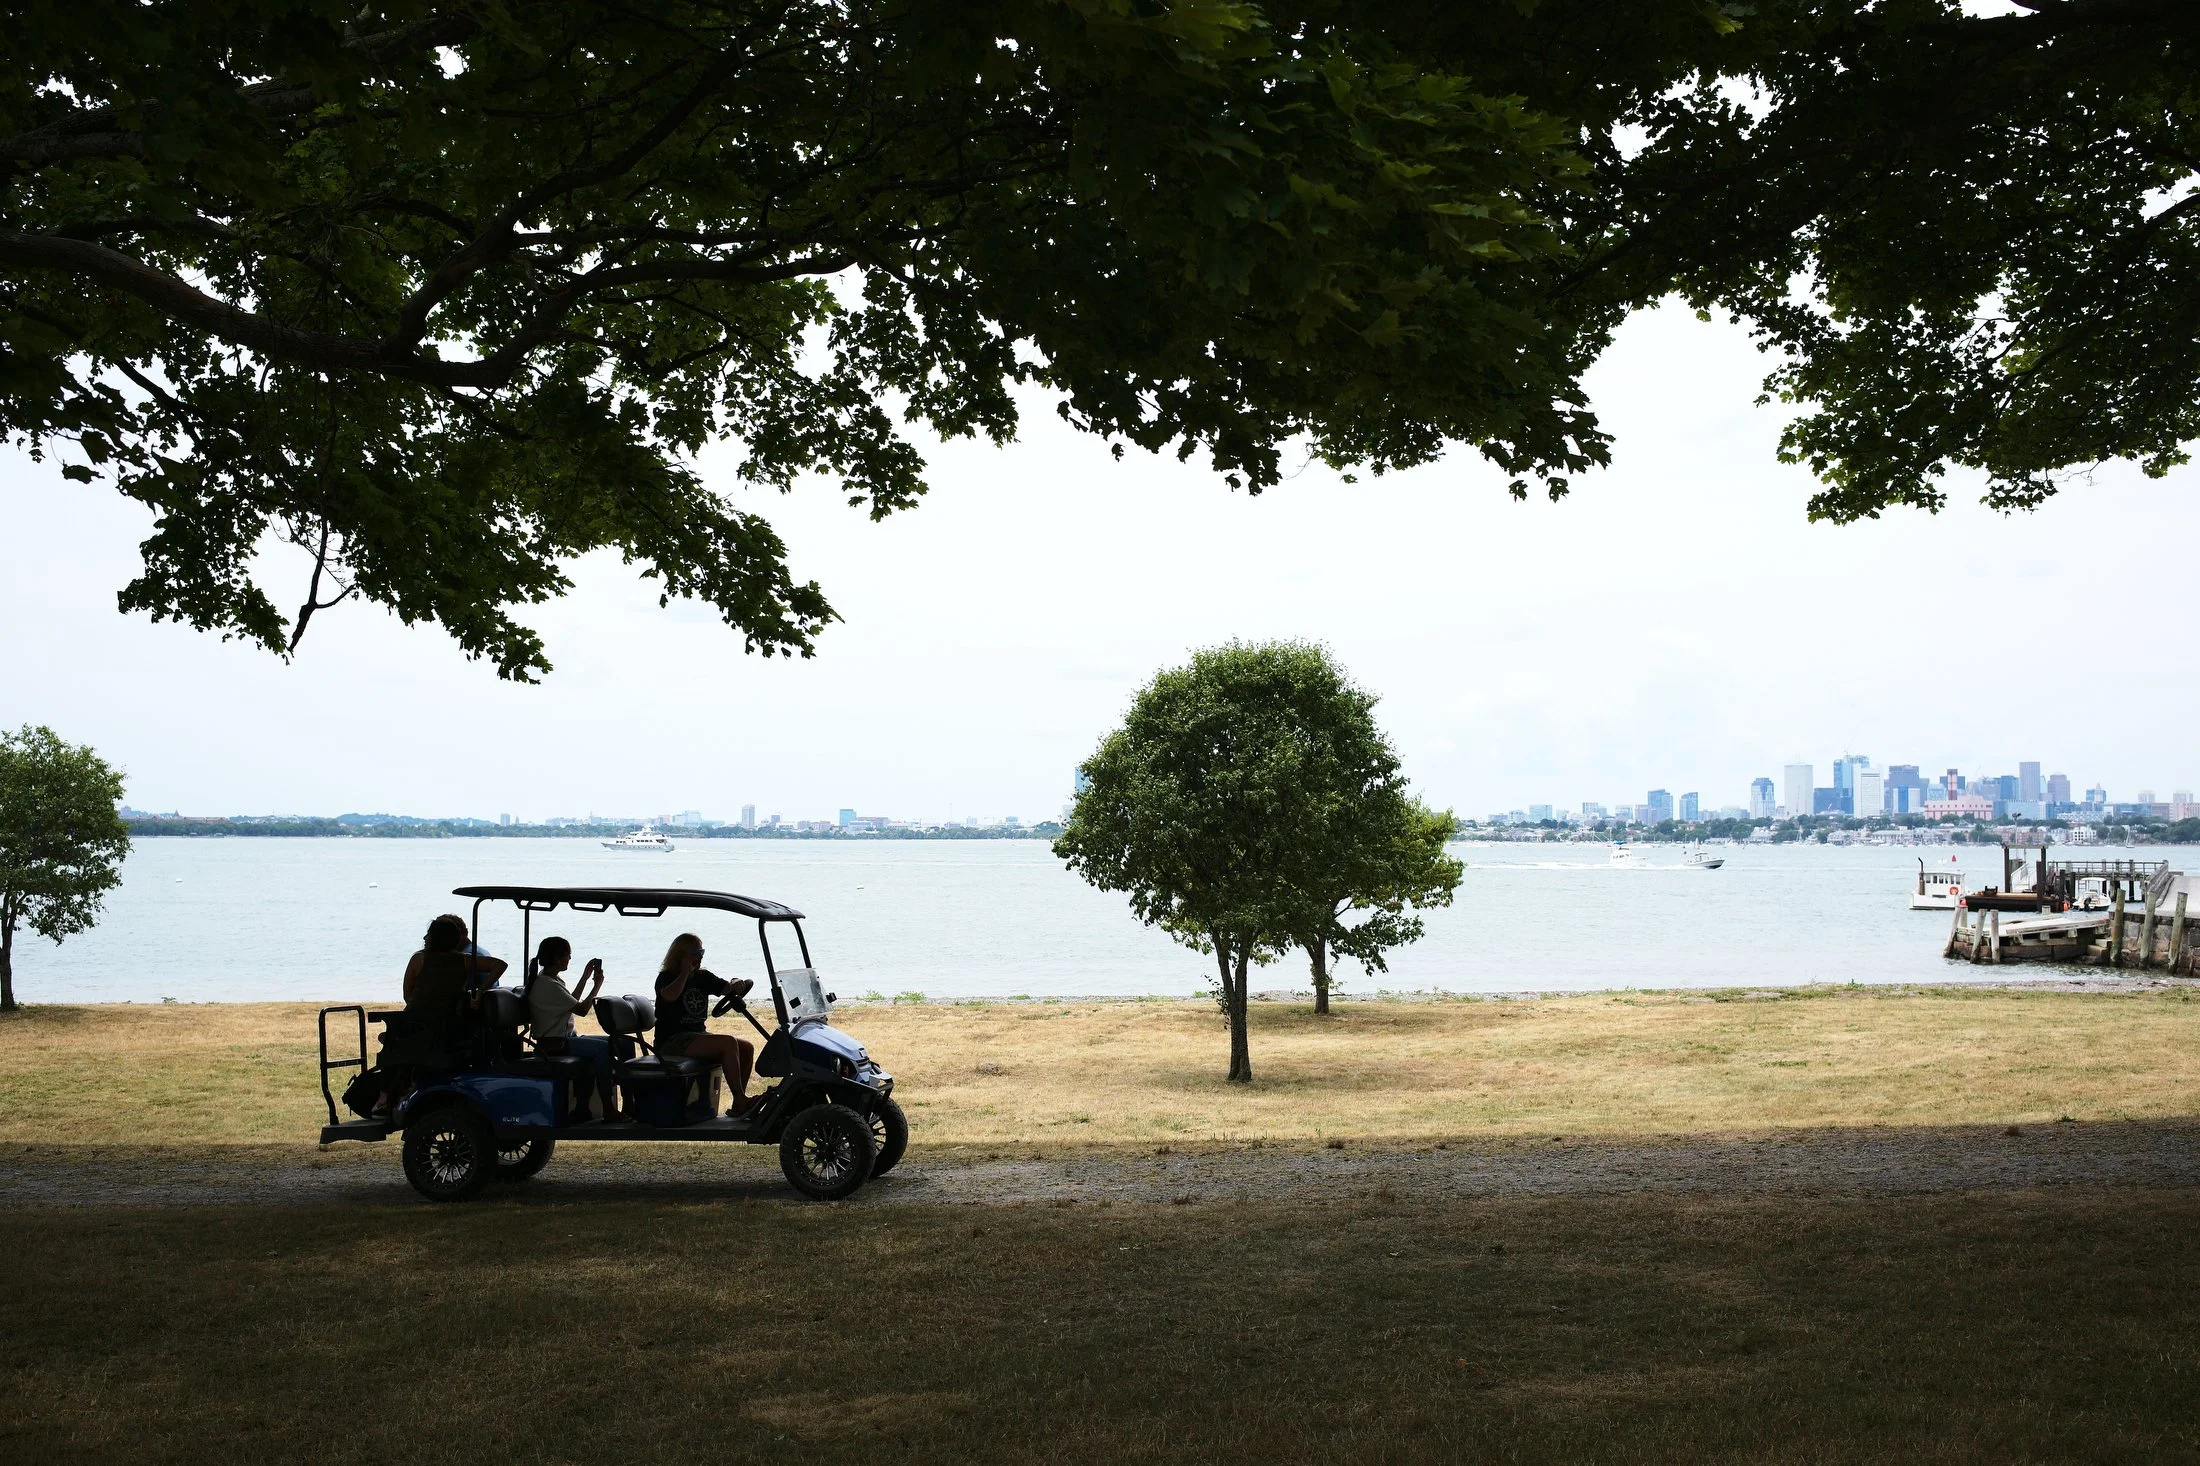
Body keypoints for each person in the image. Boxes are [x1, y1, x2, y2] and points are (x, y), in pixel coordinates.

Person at [653, 932, 759, 1117]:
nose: (700, 957)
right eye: (696, 952)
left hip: (697, 1036)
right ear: (681, 955)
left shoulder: (703, 977)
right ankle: (741, 1098)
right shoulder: (666, 977)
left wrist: (735, 983)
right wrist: (685, 973)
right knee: (727, 1043)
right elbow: (670, 996)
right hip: (672, 1040)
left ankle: (738, 1103)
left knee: (746, 1048)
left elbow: (726, 987)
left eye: (701, 952)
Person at [523, 936, 618, 1121]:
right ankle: (608, 1108)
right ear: (558, 958)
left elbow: (571, 1001)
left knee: (618, 1042)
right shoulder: (547, 985)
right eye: (568, 955)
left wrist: (585, 977)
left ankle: (587, 1108)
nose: (569, 959)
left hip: (563, 1039)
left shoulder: (550, 981)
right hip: (554, 1044)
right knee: (603, 1049)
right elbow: (582, 1010)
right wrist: (597, 986)